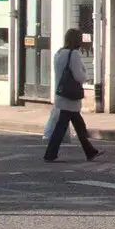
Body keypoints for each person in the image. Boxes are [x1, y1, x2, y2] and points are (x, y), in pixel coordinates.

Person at [44, 28, 101, 162]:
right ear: (76, 40)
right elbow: (78, 76)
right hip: (70, 97)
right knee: (65, 126)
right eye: (80, 39)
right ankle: (50, 154)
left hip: (61, 94)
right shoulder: (73, 54)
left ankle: (90, 151)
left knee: (74, 124)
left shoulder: (58, 53)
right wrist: (86, 76)